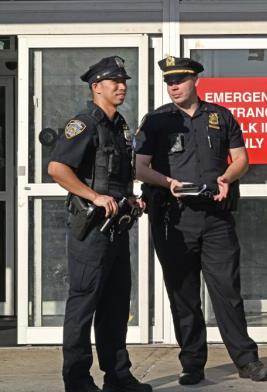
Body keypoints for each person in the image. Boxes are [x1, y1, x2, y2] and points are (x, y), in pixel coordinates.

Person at [135, 56, 267, 386]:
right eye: (169, 81)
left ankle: (246, 360)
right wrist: (167, 183)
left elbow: (242, 159)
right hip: (174, 219)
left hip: (215, 218)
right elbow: (139, 167)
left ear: (196, 80)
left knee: (227, 292)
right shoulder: (155, 121)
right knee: (183, 296)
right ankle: (192, 363)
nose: (174, 85)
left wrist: (226, 177)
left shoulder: (220, 116)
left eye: (180, 79)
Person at [47, 56, 151, 392]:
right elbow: (57, 169)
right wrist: (93, 196)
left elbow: (114, 176)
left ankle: (118, 376)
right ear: (96, 87)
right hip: (91, 231)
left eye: (124, 82)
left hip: (116, 229)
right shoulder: (84, 123)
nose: (122, 87)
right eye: (114, 82)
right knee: (84, 302)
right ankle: (76, 380)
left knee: (116, 304)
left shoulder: (118, 125)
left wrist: (130, 199)